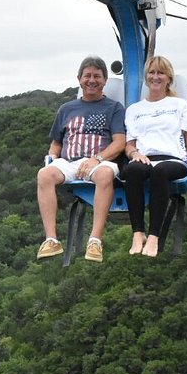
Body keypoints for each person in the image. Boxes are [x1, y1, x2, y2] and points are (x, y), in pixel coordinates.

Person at [36, 56, 126, 263]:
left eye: (97, 76)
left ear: (105, 81)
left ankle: (95, 240)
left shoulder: (114, 108)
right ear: (79, 79)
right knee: (44, 175)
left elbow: (119, 142)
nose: (91, 80)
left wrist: (97, 159)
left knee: (105, 174)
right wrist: (52, 157)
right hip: (69, 162)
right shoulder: (67, 109)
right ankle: (51, 239)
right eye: (87, 76)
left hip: (99, 161)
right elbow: (57, 142)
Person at [121, 55, 187, 258]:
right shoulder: (134, 110)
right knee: (133, 170)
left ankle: (154, 236)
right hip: (145, 157)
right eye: (152, 72)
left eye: (160, 73)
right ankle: (138, 233)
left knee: (160, 171)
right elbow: (129, 146)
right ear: (146, 77)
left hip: (173, 159)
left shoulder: (179, 105)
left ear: (168, 78)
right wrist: (135, 154)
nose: (156, 77)